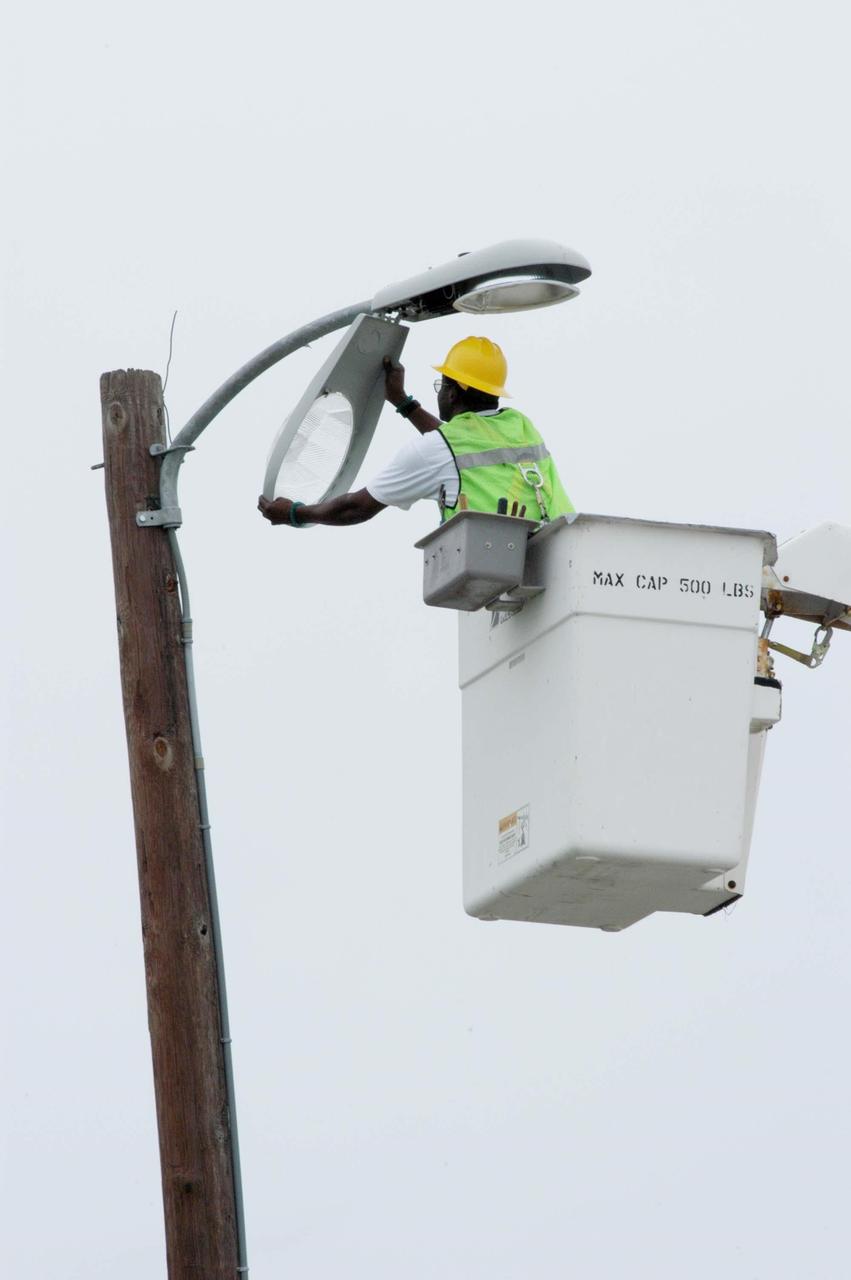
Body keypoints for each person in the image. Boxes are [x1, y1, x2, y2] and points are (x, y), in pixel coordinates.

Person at [257, 337, 574, 529]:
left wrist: (296, 513)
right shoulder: (520, 426)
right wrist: (403, 403)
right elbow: (463, 445)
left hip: (498, 567)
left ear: (452, 393)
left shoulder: (436, 451)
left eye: (442, 384)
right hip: (558, 552)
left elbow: (357, 507)